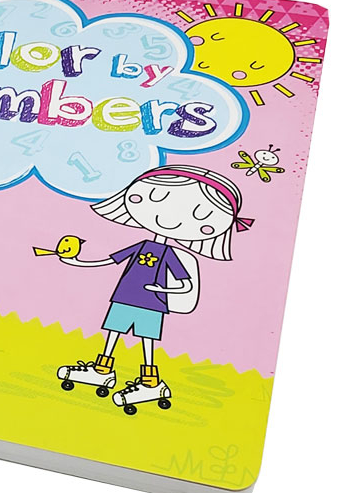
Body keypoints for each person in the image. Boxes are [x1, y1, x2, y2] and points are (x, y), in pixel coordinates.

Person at [56, 164, 253, 413]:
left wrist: (164, 290)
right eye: (158, 197)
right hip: (124, 298)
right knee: (113, 334)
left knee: (146, 341)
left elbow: (185, 284)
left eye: (199, 213)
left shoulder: (170, 254)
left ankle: (151, 383)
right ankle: (102, 371)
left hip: (152, 304)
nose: (168, 218)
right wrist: (77, 261)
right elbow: (110, 260)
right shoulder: (141, 245)